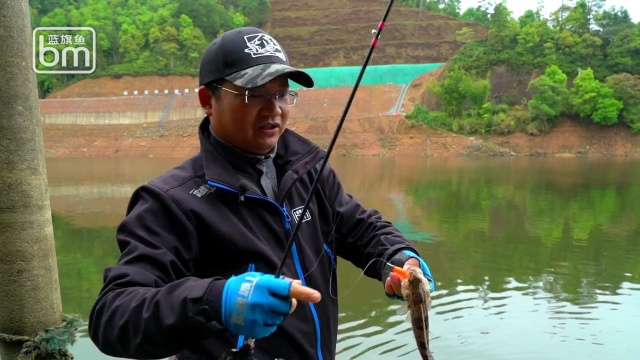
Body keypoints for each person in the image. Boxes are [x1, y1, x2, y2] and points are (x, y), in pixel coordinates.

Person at [88, 26, 435, 360]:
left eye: (282, 93)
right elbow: (113, 317)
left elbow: (360, 228)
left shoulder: (309, 170)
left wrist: (401, 257)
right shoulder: (170, 201)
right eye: (254, 94)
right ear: (208, 100)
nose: (273, 108)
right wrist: (216, 300)